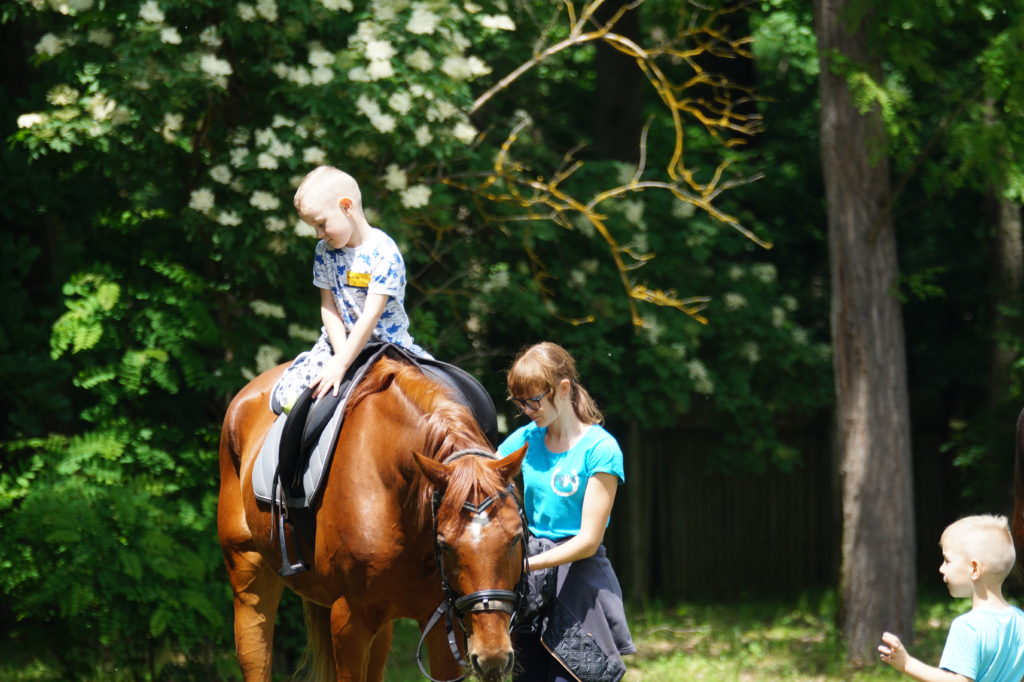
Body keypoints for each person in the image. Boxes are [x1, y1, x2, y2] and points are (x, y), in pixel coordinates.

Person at [496, 341, 635, 682]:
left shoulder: (601, 448)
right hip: (532, 587)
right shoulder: (524, 440)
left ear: (563, 388)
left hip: (580, 584)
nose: (527, 410)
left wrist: (523, 565)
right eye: (520, 402)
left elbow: (588, 541)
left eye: (533, 400)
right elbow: (483, 477)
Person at [270, 165, 430, 414]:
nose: (318, 234)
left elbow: (371, 314)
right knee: (288, 397)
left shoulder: (384, 253)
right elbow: (328, 306)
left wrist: (343, 363)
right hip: (338, 343)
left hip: (387, 347)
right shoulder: (324, 251)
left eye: (321, 224)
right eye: (314, 227)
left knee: (439, 395)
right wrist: (340, 357)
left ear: (346, 207)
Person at [878, 514, 1024, 682]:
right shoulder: (1020, 620)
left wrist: (907, 663)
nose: (941, 568)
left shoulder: (968, 627)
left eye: (947, 561)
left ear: (974, 569)